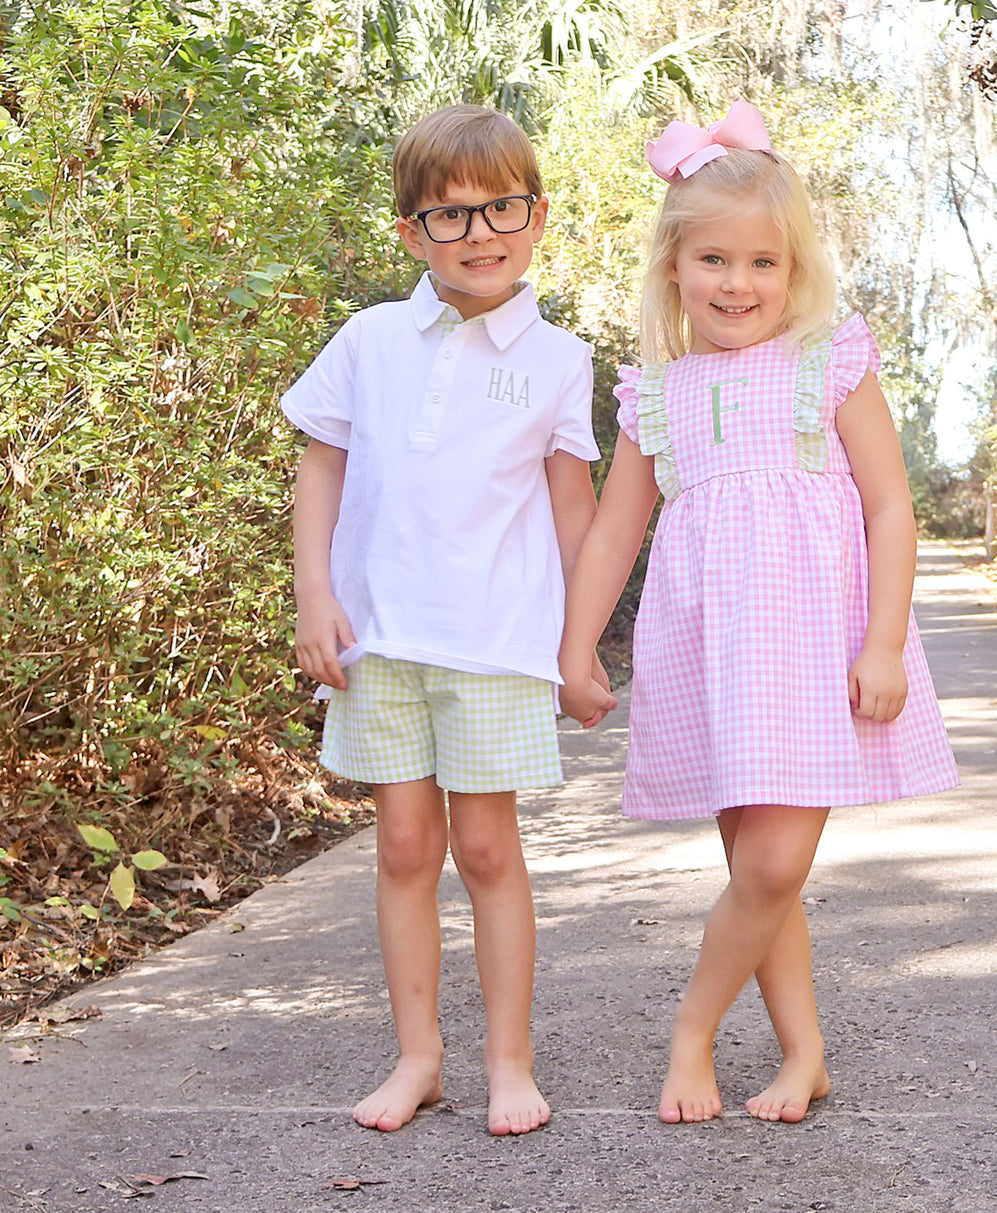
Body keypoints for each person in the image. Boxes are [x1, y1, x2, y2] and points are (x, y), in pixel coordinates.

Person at [557, 101, 959, 1125]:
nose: (736, 284)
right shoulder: (657, 390)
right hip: (712, 653)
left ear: (794, 271)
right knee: (756, 869)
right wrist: (575, 646)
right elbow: (612, 533)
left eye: (761, 264)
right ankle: (804, 1053)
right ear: (672, 268)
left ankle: (690, 1031)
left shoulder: (831, 359)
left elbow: (888, 504)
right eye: (713, 261)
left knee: (775, 860)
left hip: (815, 649)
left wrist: (881, 640)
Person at [283, 105, 602, 1136]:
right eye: (449, 216)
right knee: (405, 847)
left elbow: (568, 508)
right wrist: (315, 595)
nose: (478, 233)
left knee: (488, 849)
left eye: (499, 207)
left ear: (536, 214)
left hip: (494, 646)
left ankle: (510, 1060)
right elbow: (321, 463)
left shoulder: (558, 358)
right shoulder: (370, 339)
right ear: (411, 233)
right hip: (383, 638)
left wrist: (578, 643)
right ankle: (418, 1056)